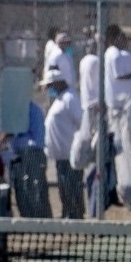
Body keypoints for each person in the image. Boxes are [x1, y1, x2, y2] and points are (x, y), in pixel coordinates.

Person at [44, 76, 86, 218]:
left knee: (71, 185)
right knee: (64, 186)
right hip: (60, 154)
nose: (49, 88)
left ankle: (75, 213)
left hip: (69, 153)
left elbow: (80, 121)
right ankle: (67, 212)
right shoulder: (60, 99)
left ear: (59, 83)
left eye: (50, 85)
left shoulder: (70, 98)